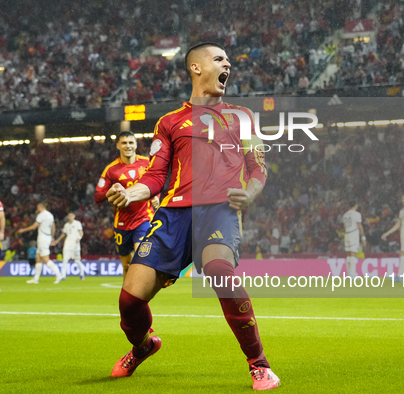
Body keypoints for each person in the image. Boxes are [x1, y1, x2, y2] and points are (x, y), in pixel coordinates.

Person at [105, 42, 279, 390]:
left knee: (219, 270)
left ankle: (259, 364)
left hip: (220, 209)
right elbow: (155, 177)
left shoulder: (242, 116)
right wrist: (129, 193)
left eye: (228, 61)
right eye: (219, 59)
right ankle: (143, 346)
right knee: (129, 301)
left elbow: (258, 168)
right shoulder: (169, 122)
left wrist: (251, 194)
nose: (227, 64)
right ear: (196, 68)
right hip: (173, 215)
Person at [94, 131, 158, 279]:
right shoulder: (111, 169)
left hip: (144, 218)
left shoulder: (147, 164)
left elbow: (156, 183)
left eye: (130, 142)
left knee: (140, 257)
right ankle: (128, 298)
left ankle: (140, 296)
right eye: (124, 143)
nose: (127, 146)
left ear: (136, 144)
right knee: (127, 265)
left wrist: (156, 197)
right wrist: (111, 191)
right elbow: (98, 196)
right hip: (122, 222)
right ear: (118, 146)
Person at [16, 202, 62, 284]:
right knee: (38, 258)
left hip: (43, 238)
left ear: (40, 207)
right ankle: (36, 278)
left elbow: (34, 226)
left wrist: (23, 230)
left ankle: (59, 274)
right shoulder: (50, 215)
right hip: (47, 237)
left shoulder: (41, 215)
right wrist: (52, 236)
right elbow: (53, 226)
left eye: (37, 208)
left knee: (45, 258)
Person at [52, 212, 84, 280]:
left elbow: (81, 232)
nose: (69, 217)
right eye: (68, 216)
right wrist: (57, 240)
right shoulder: (66, 225)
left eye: (71, 216)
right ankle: (63, 276)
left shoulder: (77, 223)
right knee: (65, 260)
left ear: (74, 216)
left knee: (77, 261)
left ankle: (81, 274)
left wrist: (79, 238)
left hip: (75, 245)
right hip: (67, 244)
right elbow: (64, 234)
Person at [342, 201, 366, 277]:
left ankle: (349, 273)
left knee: (348, 254)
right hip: (353, 235)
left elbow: (344, 227)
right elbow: (360, 226)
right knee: (353, 253)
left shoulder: (345, 215)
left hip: (347, 235)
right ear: (356, 205)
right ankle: (352, 274)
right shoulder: (357, 214)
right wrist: (363, 237)